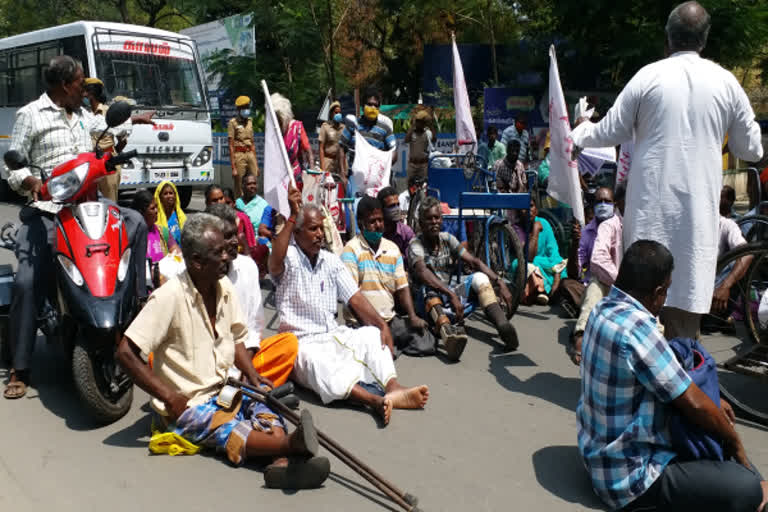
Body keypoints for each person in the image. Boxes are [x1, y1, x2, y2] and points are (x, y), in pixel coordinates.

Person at [570, 1, 764, 340]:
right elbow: (751, 150)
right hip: (696, 233)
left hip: (648, 226)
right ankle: (680, 386)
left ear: (667, 39)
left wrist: (580, 130)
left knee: (640, 326)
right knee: (685, 334)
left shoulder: (648, 76)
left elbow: (608, 131)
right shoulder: (727, 83)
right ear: (704, 40)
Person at [116, 213, 329, 488]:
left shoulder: (223, 286)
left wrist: (252, 375)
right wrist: (169, 397)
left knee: (266, 403)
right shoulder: (168, 297)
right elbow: (125, 353)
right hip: (188, 404)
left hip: (224, 389)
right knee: (227, 428)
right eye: (219, 253)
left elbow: (237, 338)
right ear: (197, 262)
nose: (228, 256)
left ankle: (281, 463)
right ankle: (289, 446)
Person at [577, 240, 768, 512]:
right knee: (745, 486)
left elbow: (675, 385)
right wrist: (734, 442)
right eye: (666, 291)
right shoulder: (638, 330)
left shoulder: (602, 310)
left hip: (597, 455)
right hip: (627, 479)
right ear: (657, 292)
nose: (665, 298)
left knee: (721, 429)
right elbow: (693, 402)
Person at [4, 56, 150, 400]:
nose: (85, 90)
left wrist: (120, 139)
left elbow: (106, 138)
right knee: (27, 281)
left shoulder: (86, 117)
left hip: (89, 207)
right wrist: (30, 182)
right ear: (63, 85)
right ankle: (20, 365)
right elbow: (9, 164)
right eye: (80, 83)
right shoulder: (30, 115)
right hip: (48, 209)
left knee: (137, 224)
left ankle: (137, 309)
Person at [270, 184, 428, 425]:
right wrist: (292, 216)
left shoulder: (330, 260)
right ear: (297, 232)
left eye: (321, 229)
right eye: (312, 229)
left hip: (332, 333)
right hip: (301, 341)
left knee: (371, 336)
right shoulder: (289, 258)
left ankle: (393, 387)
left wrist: (380, 325)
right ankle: (373, 401)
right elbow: (273, 263)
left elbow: (355, 298)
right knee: (319, 365)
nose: (320, 235)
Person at [408, 196, 519, 360]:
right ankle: (449, 337)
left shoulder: (447, 239)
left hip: (449, 294)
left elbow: (474, 261)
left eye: (437, 218)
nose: (434, 222)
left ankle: (503, 325)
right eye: (429, 219)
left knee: (479, 278)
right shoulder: (415, 244)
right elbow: (423, 273)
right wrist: (451, 294)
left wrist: (499, 282)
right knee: (428, 289)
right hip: (428, 302)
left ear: (442, 219)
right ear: (421, 223)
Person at [205, 204, 299, 387]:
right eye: (227, 236)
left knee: (289, 344)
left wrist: (245, 370)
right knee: (158, 358)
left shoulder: (248, 266)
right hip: (208, 360)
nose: (235, 241)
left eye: (236, 233)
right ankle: (244, 387)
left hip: (246, 354)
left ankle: (243, 384)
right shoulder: (199, 272)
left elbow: (255, 327)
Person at [342, 196, 436, 357]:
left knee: (427, 341)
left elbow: (402, 287)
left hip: (389, 320)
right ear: (360, 223)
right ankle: (385, 348)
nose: (378, 225)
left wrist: (412, 317)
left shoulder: (392, 249)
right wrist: (372, 326)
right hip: (362, 324)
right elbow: (352, 298)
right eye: (372, 221)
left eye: (380, 220)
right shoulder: (351, 250)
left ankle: (389, 347)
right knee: (373, 349)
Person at [567, 186, 625, 365]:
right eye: (599, 201)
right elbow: (576, 272)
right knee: (591, 283)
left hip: (623, 286)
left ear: (614, 204)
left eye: (607, 201)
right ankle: (581, 334)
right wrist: (575, 244)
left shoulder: (623, 225)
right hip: (598, 285)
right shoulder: (585, 233)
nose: (603, 205)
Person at [703, 186, 753, 333]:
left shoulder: (726, 224)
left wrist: (725, 285)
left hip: (712, 296)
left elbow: (747, 254)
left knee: (738, 258)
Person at [339, 87, 398, 179]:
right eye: (369, 104)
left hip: (377, 178)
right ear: (363, 106)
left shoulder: (385, 128)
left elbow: (394, 151)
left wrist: (383, 167)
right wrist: (343, 174)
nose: (373, 108)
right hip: (355, 177)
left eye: (376, 105)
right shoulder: (353, 125)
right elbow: (341, 148)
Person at [84, 77, 125, 201]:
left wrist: (111, 155)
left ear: (91, 94)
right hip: (87, 164)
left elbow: (122, 139)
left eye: (84, 92)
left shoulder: (109, 112)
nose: (82, 96)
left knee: (109, 202)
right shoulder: (82, 114)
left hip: (107, 162)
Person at [522, 198, 567, 305]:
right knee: (529, 266)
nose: (528, 210)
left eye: (531, 206)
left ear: (536, 209)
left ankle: (549, 290)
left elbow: (553, 251)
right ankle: (545, 290)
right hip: (525, 264)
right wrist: (535, 231)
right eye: (524, 208)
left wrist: (556, 276)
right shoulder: (518, 227)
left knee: (559, 262)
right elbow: (528, 258)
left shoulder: (544, 223)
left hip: (546, 265)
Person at [205, 184, 263, 266]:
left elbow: (250, 244)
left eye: (221, 198)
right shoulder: (203, 222)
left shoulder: (237, 218)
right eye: (214, 200)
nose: (219, 202)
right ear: (207, 202)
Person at [272, 93, 313, 187]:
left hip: (295, 174)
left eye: (278, 118)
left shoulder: (296, 127)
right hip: (278, 175)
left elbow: (308, 150)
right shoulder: (273, 131)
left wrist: (312, 171)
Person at [228, 96, 260, 198]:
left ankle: (253, 202)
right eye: (244, 107)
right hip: (239, 155)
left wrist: (256, 163)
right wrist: (233, 167)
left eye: (247, 107)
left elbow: (252, 143)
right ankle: (240, 205)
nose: (247, 110)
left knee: (253, 180)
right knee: (239, 182)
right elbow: (231, 145)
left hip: (250, 154)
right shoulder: (233, 123)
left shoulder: (250, 121)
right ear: (239, 109)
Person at [377, 186, 417, 268]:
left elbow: (412, 260)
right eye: (391, 206)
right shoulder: (375, 232)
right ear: (381, 209)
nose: (396, 209)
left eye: (397, 204)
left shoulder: (406, 232)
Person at [404, 109, 435, 183]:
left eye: (421, 122)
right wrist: (412, 125)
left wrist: (431, 125)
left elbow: (434, 139)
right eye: (417, 122)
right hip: (412, 165)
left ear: (424, 124)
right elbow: (406, 140)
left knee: (424, 186)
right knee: (410, 187)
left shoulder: (427, 133)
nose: (419, 124)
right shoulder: (412, 133)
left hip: (423, 165)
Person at [154, 180, 186, 247]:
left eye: (171, 193)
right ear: (160, 198)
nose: (169, 196)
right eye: (165, 194)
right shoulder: (156, 218)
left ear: (175, 195)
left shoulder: (180, 216)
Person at [318, 101, 344, 175]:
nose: (338, 114)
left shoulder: (343, 128)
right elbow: (321, 148)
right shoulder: (325, 127)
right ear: (331, 114)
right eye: (336, 112)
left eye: (339, 112)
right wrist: (323, 167)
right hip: (328, 162)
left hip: (340, 163)